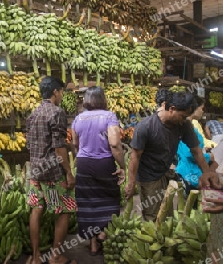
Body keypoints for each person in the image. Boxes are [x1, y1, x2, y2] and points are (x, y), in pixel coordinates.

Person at [124, 92, 211, 221]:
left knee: (168, 214)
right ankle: (154, 239)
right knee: (153, 215)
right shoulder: (146, 126)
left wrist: (207, 174)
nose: (184, 120)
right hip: (148, 175)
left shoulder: (184, 125)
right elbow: (135, 157)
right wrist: (131, 183)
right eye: (182, 116)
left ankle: (165, 239)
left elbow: (196, 151)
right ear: (172, 109)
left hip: (166, 171)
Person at [26, 76, 76, 264]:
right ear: (55, 92)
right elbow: (59, 147)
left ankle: (37, 256)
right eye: (62, 91)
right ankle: (56, 256)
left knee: (37, 209)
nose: (62, 95)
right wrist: (69, 172)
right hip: (53, 175)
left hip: (36, 172)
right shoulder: (57, 113)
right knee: (63, 210)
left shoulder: (33, 114)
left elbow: (29, 145)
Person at [71, 86, 125, 256]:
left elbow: (75, 143)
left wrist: (84, 154)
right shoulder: (109, 116)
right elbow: (115, 144)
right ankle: (103, 234)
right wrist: (122, 166)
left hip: (84, 164)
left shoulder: (78, 119)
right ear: (102, 99)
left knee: (88, 202)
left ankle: (93, 244)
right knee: (109, 199)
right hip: (104, 164)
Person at [176, 96, 217, 195]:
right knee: (190, 206)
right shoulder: (188, 130)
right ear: (194, 108)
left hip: (187, 171)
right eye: (201, 108)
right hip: (189, 173)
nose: (202, 111)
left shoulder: (185, 126)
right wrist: (209, 156)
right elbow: (188, 153)